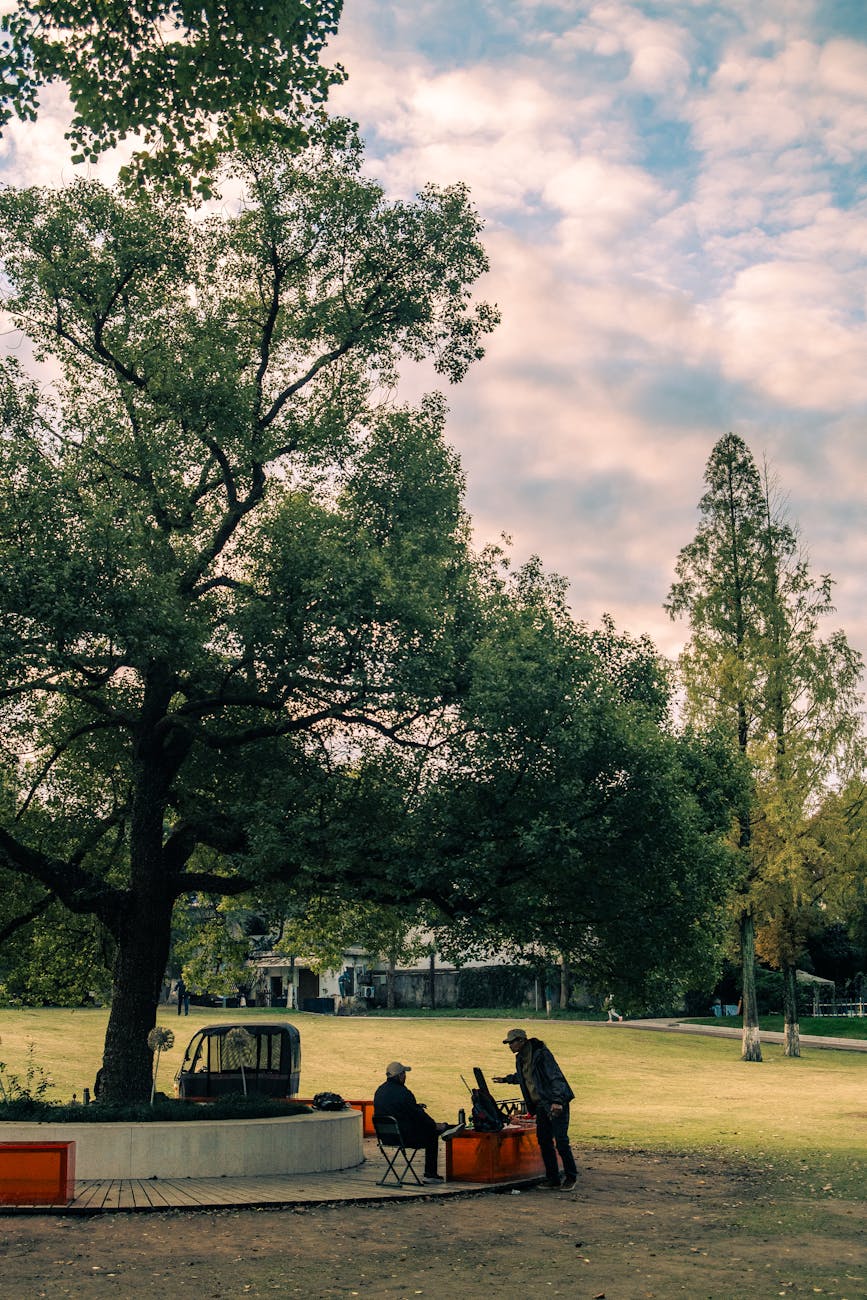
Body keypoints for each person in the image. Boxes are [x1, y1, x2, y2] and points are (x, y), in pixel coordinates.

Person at [493, 1027, 577, 1190]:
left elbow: (555, 1077)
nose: (510, 1046)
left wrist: (557, 1101)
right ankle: (552, 1178)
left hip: (554, 1102)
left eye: (512, 1042)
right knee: (544, 1141)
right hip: (540, 1105)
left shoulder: (541, 1054)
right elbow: (525, 1077)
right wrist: (506, 1079)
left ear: (521, 1041)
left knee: (561, 1141)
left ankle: (571, 1177)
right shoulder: (521, 1058)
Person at [373, 1060, 447, 1183]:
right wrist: (434, 1125)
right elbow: (417, 1116)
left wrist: (415, 1107)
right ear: (400, 1076)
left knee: (428, 1128)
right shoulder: (403, 1093)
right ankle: (430, 1174)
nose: (405, 1077)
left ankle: (444, 1129)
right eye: (404, 1074)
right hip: (403, 1137)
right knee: (432, 1134)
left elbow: (397, 1110)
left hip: (386, 1137)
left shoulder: (380, 1091)